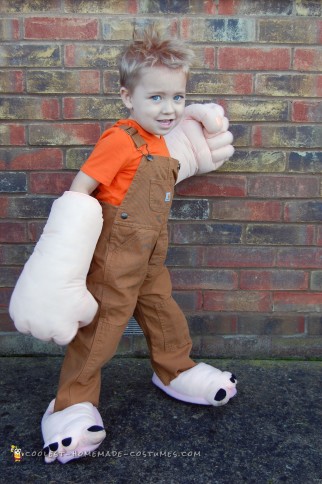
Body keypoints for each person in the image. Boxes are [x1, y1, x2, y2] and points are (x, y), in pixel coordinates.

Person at [10, 27, 237, 464]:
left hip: (151, 251)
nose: (169, 109)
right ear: (127, 97)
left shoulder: (160, 143)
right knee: (103, 326)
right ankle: (70, 405)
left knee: (162, 311)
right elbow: (84, 185)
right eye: (156, 98)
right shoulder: (120, 139)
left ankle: (177, 370)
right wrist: (60, 254)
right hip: (115, 256)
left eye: (178, 97)